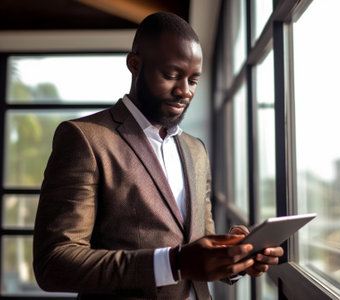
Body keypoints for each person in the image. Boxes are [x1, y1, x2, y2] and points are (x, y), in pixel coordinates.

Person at [33, 12, 283, 300]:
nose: (184, 91)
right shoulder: (85, 139)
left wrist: (237, 257)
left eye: (193, 80)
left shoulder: (196, 150)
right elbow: (54, 263)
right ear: (135, 65)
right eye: (172, 75)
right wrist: (173, 263)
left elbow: (199, 249)